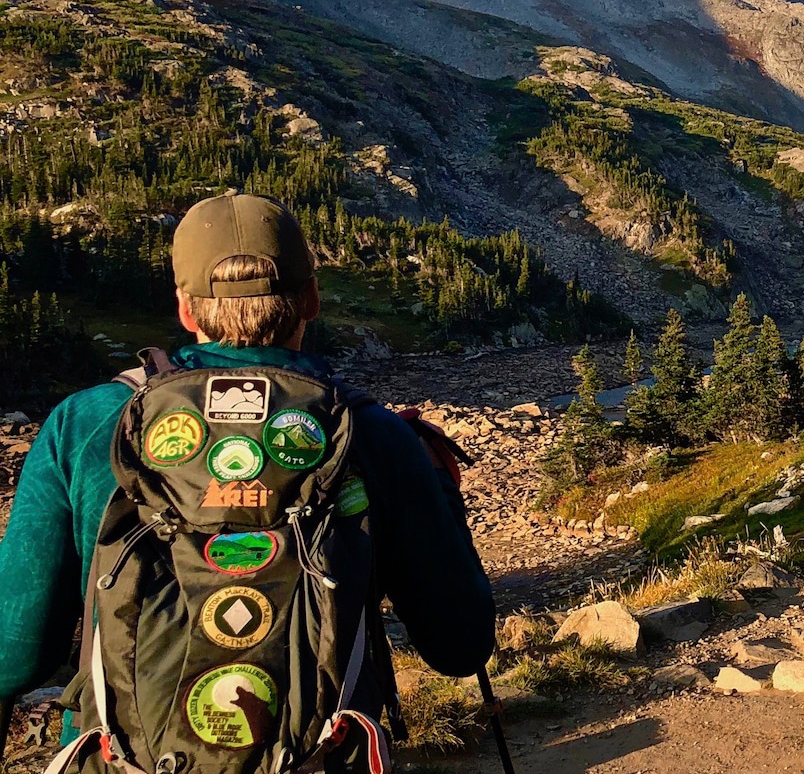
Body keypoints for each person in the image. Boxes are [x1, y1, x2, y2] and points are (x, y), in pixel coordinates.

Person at [0, 191, 496, 759]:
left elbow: (14, 653)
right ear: (311, 299)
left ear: (185, 310)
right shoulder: (375, 434)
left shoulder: (85, 424)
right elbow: (460, 644)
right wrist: (437, 488)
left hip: (123, 759)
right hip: (318, 759)